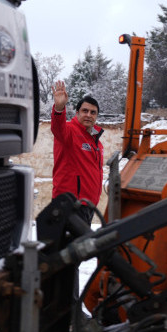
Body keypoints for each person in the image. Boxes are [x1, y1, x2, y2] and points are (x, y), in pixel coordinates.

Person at [50, 80, 104, 224]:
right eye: (85, 111)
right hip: (69, 204)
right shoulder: (69, 131)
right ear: (77, 112)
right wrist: (59, 108)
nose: (89, 115)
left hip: (87, 205)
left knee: (80, 245)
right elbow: (57, 128)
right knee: (67, 245)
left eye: (93, 112)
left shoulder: (96, 142)